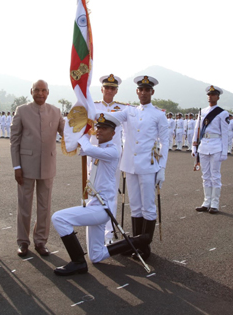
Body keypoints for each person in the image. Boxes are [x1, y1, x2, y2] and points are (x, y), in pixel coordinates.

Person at [51, 112, 144, 275]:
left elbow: (86, 147)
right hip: (94, 204)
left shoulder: (112, 151)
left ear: (113, 133)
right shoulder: (99, 149)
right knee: (96, 256)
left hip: (102, 208)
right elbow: (80, 148)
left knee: (58, 218)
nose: (99, 131)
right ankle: (130, 243)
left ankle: (78, 261)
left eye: (104, 128)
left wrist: (82, 134)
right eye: (98, 127)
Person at [110, 75, 169, 259]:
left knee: (148, 207)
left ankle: (145, 246)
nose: (143, 92)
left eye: (147, 90)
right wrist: (89, 108)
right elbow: (110, 117)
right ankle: (136, 243)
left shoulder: (158, 115)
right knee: (135, 206)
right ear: (137, 91)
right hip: (130, 165)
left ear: (152, 92)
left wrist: (162, 167)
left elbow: (164, 142)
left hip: (148, 166)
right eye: (140, 89)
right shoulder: (129, 111)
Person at [11, 80, 65, 257]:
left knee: (45, 206)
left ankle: (41, 241)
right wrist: (16, 166)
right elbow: (15, 141)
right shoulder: (22, 110)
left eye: (43, 90)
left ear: (48, 92)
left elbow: (67, 132)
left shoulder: (55, 111)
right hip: (25, 167)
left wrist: (82, 127)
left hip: (48, 166)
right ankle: (23, 242)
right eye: (37, 90)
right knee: (24, 205)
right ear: (31, 91)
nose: (40, 93)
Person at [91, 74, 126, 244]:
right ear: (102, 89)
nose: (110, 91)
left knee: (111, 193)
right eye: (107, 87)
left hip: (113, 156)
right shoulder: (93, 106)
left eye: (113, 88)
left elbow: (129, 131)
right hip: (95, 154)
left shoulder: (123, 108)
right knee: (92, 192)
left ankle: (109, 233)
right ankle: (94, 231)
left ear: (116, 90)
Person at [192, 85, 230, 214]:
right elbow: (197, 130)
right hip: (203, 145)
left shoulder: (222, 113)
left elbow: (225, 134)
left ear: (218, 97)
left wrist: (224, 151)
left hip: (216, 146)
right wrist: (194, 146)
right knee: (205, 176)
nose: (210, 97)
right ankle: (206, 201)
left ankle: (215, 203)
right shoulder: (202, 112)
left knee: (215, 176)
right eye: (209, 95)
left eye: (213, 95)